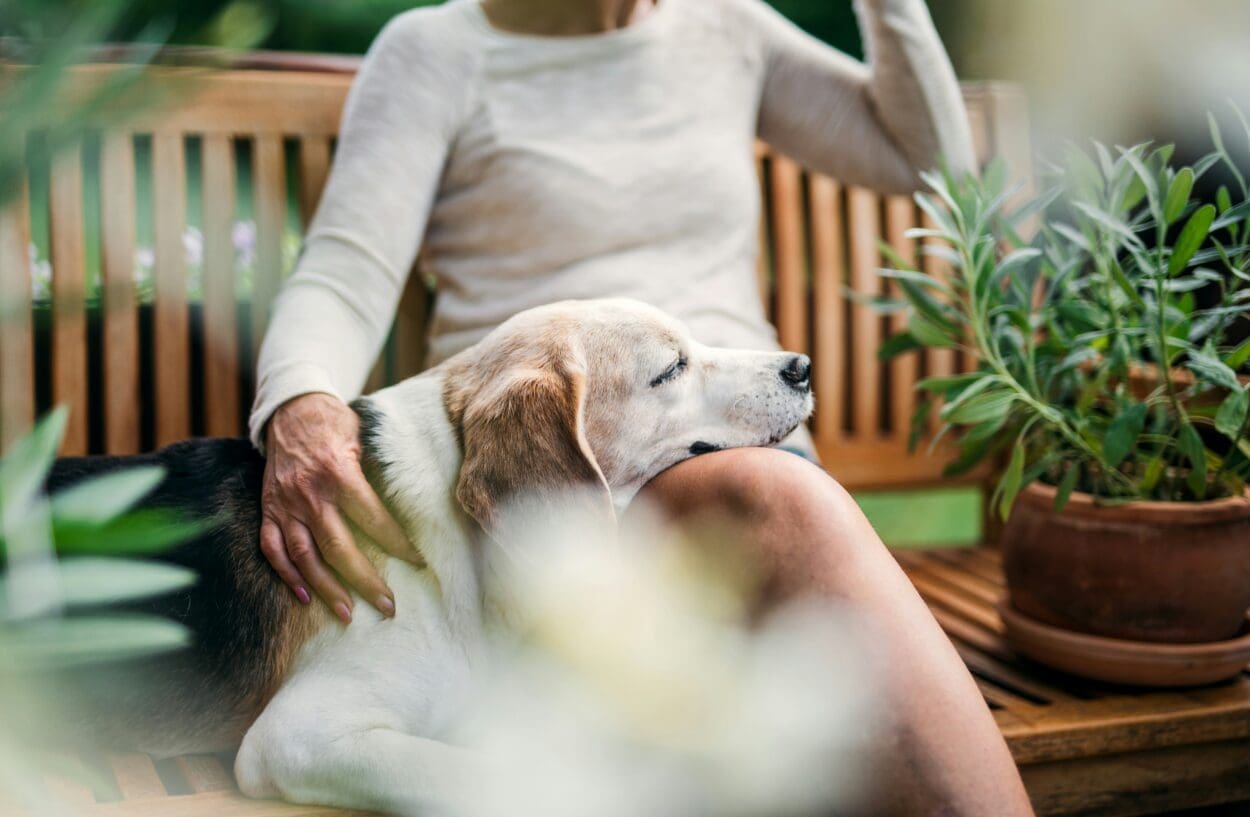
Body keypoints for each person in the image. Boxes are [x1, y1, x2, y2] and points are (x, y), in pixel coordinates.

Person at [250, 0, 1034, 813]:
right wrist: (303, 408)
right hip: (554, 475)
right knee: (784, 510)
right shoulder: (436, 51)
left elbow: (931, 159)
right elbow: (344, 274)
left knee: (786, 543)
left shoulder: (729, 28)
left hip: (738, 438)